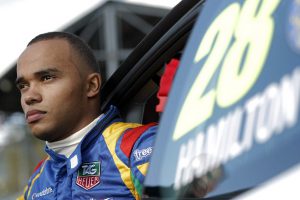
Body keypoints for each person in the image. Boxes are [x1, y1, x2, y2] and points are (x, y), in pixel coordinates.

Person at [16, 31, 157, 200]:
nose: (29, 96)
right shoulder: (36, 183)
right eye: (23, 85)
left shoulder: (139, 146)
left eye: (46, 78)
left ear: (91, 85)